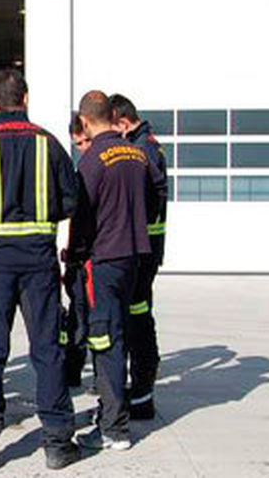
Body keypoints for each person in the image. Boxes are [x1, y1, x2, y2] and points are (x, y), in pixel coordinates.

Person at [0, 68, 81, 472]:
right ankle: (58, 444)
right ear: (25, 98)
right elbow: (70, 201)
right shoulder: (48, 144)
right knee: (47, 349)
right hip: (39, 259)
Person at [72, 91, 165, 452]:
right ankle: (120, 410)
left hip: (105, 261)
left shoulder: (93, 159)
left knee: (105, 339)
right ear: (112, 115)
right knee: (122, 332)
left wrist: (75, 257)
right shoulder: (139, 153)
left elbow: (81, 218)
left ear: (84, 121)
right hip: (135, 257)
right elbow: (158, 191)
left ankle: (113, 426)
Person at [108, 93, 169, 421]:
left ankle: (143, 395)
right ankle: (140, 388)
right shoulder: (147, 145)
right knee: (137, 316)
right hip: (145, 249)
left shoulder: (143, 150)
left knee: (138, 319)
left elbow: (146, 201)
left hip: (142, 252)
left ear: (122, 121)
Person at [62, 113, 93, 390]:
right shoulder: (81, 169)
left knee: (86, 318)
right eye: (78, 144)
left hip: (93, 258)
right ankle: (73, 370)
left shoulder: (94, 169)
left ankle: (94, 373)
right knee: (78, 315)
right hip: (79, 256)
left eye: (85, 141)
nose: (82, 148)